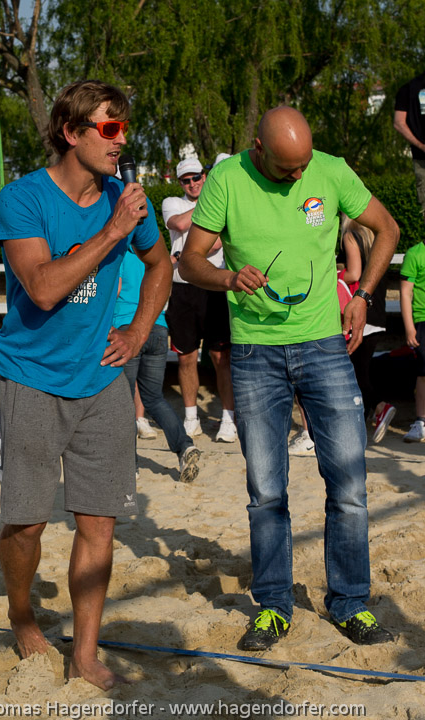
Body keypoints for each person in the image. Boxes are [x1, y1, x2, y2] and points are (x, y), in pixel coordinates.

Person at [180, 106, 399, 650]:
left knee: (349, 486)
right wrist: (228, 277)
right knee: (266, 492)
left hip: (325, 347)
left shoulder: (332, 169)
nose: (299, 176)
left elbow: (387, 229)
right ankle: (274, 606)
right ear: (258, 148)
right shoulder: (227, 178)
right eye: (286, 168)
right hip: (255, 354)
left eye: (304, 165)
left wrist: (363, 296)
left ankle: (349, 602)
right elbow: (189, 261)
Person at [0, 79, 172, 690]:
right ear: (71, 132)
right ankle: (21, 614)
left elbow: (162, 263)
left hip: (102, 380)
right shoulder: (23, 198)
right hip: (30, 378)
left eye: (124, 128)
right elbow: (42, 288)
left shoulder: (126, 198)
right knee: (27, 525)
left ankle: (85, 653)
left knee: (99, 524)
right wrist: (113, 231)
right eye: (109, 128)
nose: (121, 141)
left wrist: (139, 330)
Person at [162, 158, 237, 442]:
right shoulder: (172, 202)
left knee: (221, 357)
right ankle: (191, 417)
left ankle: (228, 419)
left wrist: (187, 253)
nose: (192, 184)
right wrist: (212, 199)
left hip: (214, 286)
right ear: (180, 183)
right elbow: (179, 223)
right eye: (186, 180)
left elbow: (216, 244)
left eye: (196, 177)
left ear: (204, 177)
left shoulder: (218, 203)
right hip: (183, 288)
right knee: (186, 357)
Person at [113, 246, 201, 482]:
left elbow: (116, 289)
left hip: (127, 327)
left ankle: (129, 465)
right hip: (158, 327)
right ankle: (184, 447)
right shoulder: (156, 253)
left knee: (123, 401)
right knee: (154, 398)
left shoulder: (119, 253)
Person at [339, 215, 396, 443]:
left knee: (355, 374)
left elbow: (354, 273)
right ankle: (362, 425)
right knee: (361, 371)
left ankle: (381, 406)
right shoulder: (374, 238)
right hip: (378, 313)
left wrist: (334, 275)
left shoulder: (350, 236)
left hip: (361, 314)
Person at [400, 239, 425, 442]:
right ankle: (421, 422)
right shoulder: (415, 254)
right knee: (423, 374)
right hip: (422, 319)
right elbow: (406, 292)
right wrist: (409, 327)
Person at [394, 72, 425, 216]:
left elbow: (399, 123)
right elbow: (398, 123)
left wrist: (421, 146)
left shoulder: (408, 88)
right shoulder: (409, 89)